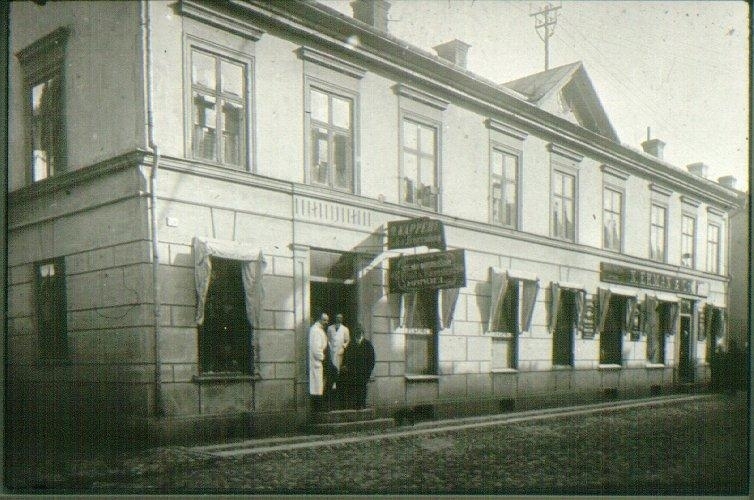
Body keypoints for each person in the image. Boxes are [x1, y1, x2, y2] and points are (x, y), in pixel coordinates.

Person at [339, 324, 375, 409]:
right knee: (353, 389)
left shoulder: (367, 344)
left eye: (359, 331)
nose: (358, 333)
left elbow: (371, 360)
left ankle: (362, 405)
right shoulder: (351, 344)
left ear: (362, 333)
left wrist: (368, 373)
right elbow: (346, 357)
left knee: (362, 390)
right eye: (356, 332)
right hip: (352, 373)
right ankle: (355, 405)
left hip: (363, 373)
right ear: (355, 333)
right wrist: (345, 366)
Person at [325, 313, 350, 407]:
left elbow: (347, 340)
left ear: (342, 319)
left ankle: (338, 394)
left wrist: (343, 347)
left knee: (338, 372)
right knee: (331, 372)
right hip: (332, 353)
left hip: (340, 353)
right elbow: (327, 339)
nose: (338, 319)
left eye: (340, 318)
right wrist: (329, 346)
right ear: (335, 318)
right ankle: (331, 393)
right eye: (337, 317)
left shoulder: (345, 329)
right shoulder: (330, 328)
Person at [308, 313, 329, 413]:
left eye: (327, 320)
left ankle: (320, 407)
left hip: (320, 362)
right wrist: (323, 358)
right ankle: (317, 409)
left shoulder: (320, 330)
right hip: (317, 362)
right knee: (317, 387)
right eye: (324, 320)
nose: (326, 322)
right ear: (319, 319)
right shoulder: (315, 330)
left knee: (320, 385)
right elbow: (316, 349)